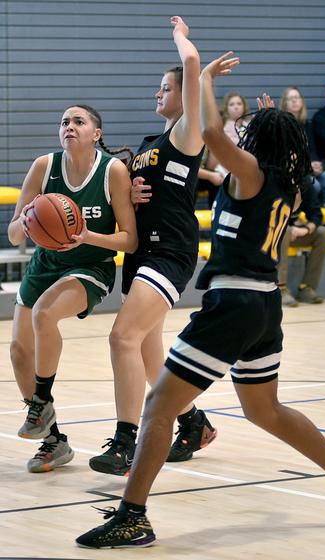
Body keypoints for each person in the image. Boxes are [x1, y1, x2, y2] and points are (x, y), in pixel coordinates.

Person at [76, 53, 325, 549]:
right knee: (265, 410)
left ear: (257, 145)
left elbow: (215, 136)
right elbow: (217, 162)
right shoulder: (281, 184)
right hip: (265, 304)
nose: (239, 134)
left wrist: (201, 77)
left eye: (250, 131)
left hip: (234, 304)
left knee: (158, 404)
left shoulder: (251, 173)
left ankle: (133, 516)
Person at [88, 16, 217, 477]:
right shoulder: (150, 143)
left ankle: (125, 443)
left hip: (170, 252)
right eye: (158, 89)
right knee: (147, 353)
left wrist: (181, 39)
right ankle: (194, 422)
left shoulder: (187, 132)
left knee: (122, 336)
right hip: (141, 254)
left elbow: (192, 62)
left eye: (165, 88)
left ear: (184, 96)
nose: (158, 94)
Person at [8, 104, 138, 473]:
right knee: (19, 351)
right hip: (45, 265)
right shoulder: (43, 167)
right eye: (64, 121)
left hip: (90, 264)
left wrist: (86, 236)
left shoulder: (112, 171)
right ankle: (54, 442)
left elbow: (129, 240)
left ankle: (40, 402)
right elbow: (14, 234)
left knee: (46, 313)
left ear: (96, 133)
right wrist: (30, 218)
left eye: (79, 121)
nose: (70, 126)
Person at [280, 86, 325, 203]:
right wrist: (308, 166)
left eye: (297, 97)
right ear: (285, 103)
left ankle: (317, 210)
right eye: (290, 98)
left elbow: (312, 149)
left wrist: (317, 164)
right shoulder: (281, 125)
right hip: (293, 170)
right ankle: (305, 212)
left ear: (302, 101)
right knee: (315, 186)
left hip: (309, 167)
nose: (294, 100)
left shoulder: (307, 125)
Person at [277, 182, 325, 306]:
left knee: (323, 233)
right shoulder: (272, 178)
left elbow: (316, 214)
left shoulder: (304, 182)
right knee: (285, 231)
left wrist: (306, 229)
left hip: (293, 230)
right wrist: (287, 227)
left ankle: (307, 288)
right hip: (269, 231)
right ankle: (280, 288)